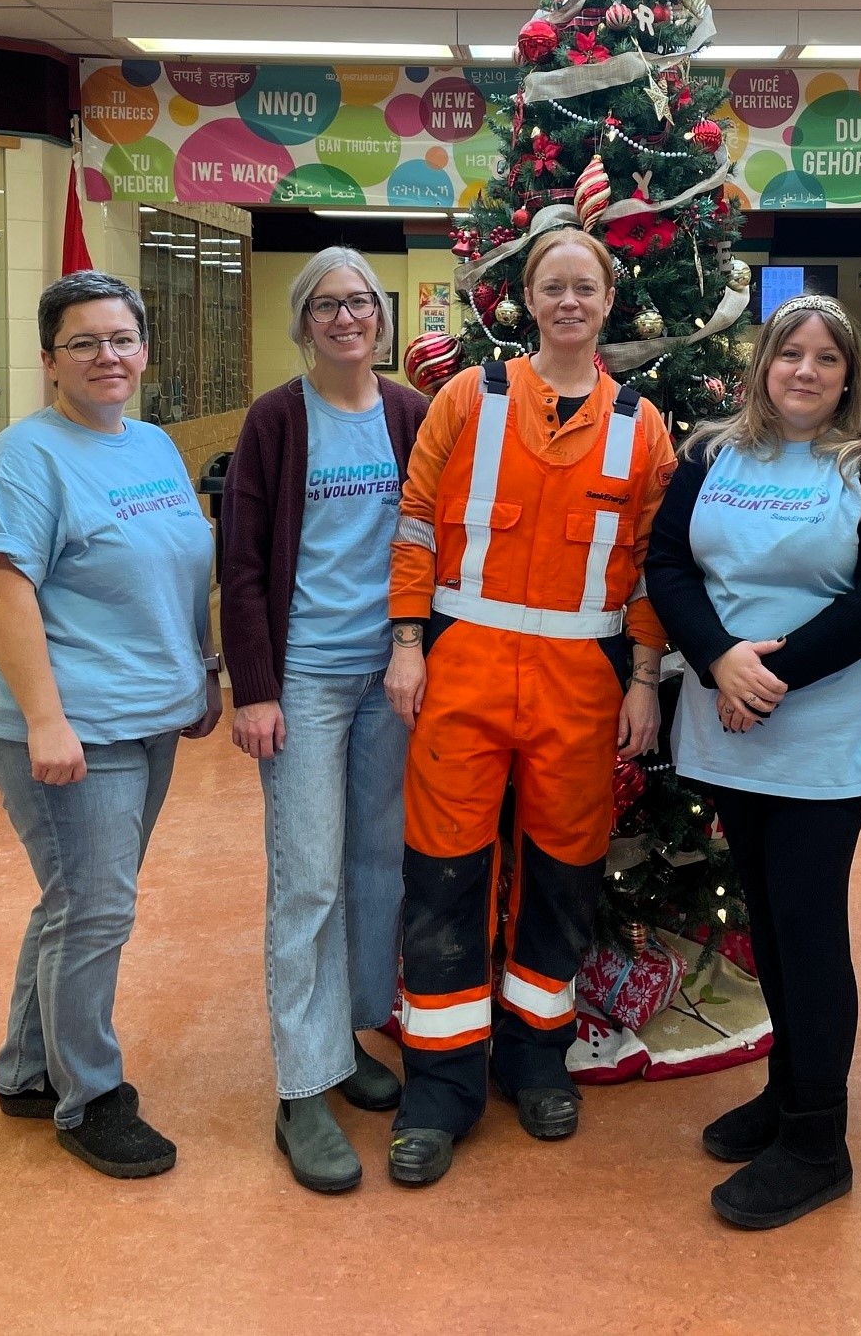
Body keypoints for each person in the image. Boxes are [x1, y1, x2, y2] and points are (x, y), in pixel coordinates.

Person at [383, 227, 676, 1186]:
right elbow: (416, 517)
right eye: (551, 287)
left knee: (560, 878)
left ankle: (535, 1057)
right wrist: (405, 643)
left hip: (580, 688)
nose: (568, 302)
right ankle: (438, 1087)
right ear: (526, 299)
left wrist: (642, 678)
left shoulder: (644, 426)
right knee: (445, 876)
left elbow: (650, 566)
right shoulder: (468, 398)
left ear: (606, 300)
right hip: (463, 668)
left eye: (583, 288)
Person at [646, 293, 861, 1230]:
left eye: (826, 358)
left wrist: (768, 676)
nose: (805, 371)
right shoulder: (709, 454)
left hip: (819, 737)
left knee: (807, 930)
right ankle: (785, 1093)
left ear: (850, 374)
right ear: (763, 362)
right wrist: (720, 658)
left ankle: (817, 1142)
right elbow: (669, 568)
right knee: (766, 924)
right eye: (789, 354)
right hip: (728, 725)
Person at [0, 270, 222, 1178]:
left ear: (143, 350)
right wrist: (46, 722)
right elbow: (1, 591)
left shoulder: (149, 445)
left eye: (121, 339)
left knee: (76, 901)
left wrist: (203, 671)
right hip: (73, 728)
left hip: (149, 716)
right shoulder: (25, 458)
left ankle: (30, 1070)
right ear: (48, 360)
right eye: (84, 342)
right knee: (97, 908)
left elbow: (182, 565)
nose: (107, 356)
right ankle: (90, 1097)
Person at [221, 247, 428, 1194]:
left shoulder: (407, 414)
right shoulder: (276, 419)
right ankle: (301, 1086)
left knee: (376, 864)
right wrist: (254, 688)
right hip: (302, 677)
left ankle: (343, 1036)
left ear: (377, 318)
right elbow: (246, 564)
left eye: (360, 304)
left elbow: (430, 542)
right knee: (306, 875)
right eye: (326, 306)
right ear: (303, 323)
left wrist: (412, 645)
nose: (347, 319)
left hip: (388, 674)